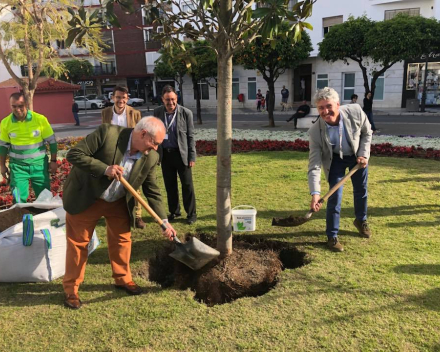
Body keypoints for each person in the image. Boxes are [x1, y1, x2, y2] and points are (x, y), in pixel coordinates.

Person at [62, 117, 177, 309]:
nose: (156, 148)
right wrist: (104, 169)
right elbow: (74, 154)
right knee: (78, 244)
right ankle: (71, 289)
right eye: (154, 143)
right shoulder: (107, 134)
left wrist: (163, 220)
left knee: (122, 240)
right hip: (88, 197)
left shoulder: (151, 157)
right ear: (143, 134)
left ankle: (123, 279)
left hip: (118, 201)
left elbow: (152, 190)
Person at [308, 87, 372, 252]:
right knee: (334, 197)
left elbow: (367, 132)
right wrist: (315, 194)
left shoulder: (355, 111)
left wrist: (363, 155)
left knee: (361, 190)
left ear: (337, 104)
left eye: (329, 106)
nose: (326, 111)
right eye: (321, 108)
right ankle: (332, 236)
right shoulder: (315, 132)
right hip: (335, 159)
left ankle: (360, 220)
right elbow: (314, 164)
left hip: (357, 156)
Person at [0, 92, 57, 203]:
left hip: (39, 166)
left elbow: (52, 142)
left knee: (44, 199)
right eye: (14, 106)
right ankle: (23, 220)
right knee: (18, 201)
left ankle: (44, 219)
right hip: (18, 168)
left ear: (26, 104)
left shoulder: (40, 119)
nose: (17, 109)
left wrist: (53, 161)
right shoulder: (5, 123)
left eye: (20, 106)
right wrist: (1, 165)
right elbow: (3, 146)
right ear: (10, 106)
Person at [101, 85, 146, 229]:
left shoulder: (135, 113)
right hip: (113, 153)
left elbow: (140, 133)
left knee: (134, 185)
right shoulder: (106, 112)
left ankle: (138, 216)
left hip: (130, 153)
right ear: (113, 98)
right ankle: (114, 213)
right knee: (112, 184)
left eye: (123, 98)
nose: (121, 100)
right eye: (118, 97)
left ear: (127, 99)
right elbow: (103, 132)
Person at [153, 85, 197, 225]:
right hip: (165, 155)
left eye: (173, 99)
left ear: (176, 98)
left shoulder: (186, 113)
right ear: (162, 99)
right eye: (167, 100)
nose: (170, 103)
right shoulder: (157, 113)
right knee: (170, 185)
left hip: (182, 154)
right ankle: (174, 211)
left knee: (187, 185)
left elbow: (191, 136)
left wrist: (192, 156)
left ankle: (191, 214)